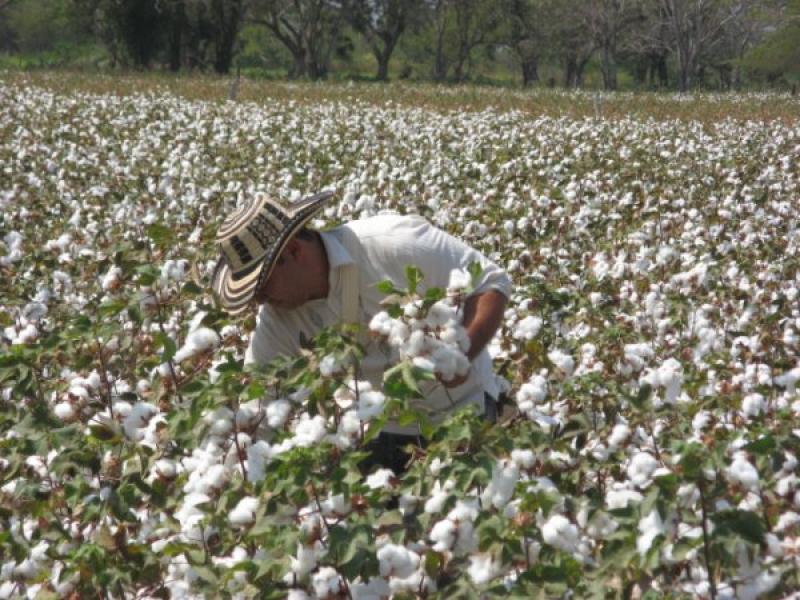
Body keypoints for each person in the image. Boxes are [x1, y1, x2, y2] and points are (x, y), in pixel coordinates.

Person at [212, 190, 511, 472]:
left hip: (463, 411)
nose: (259, 300)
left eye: (261, 285)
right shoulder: (278, 319)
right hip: (380, 429)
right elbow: (257, 405)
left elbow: (489, 283)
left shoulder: (392, 243)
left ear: (294, 251)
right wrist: (235, 473)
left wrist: (462, 353)